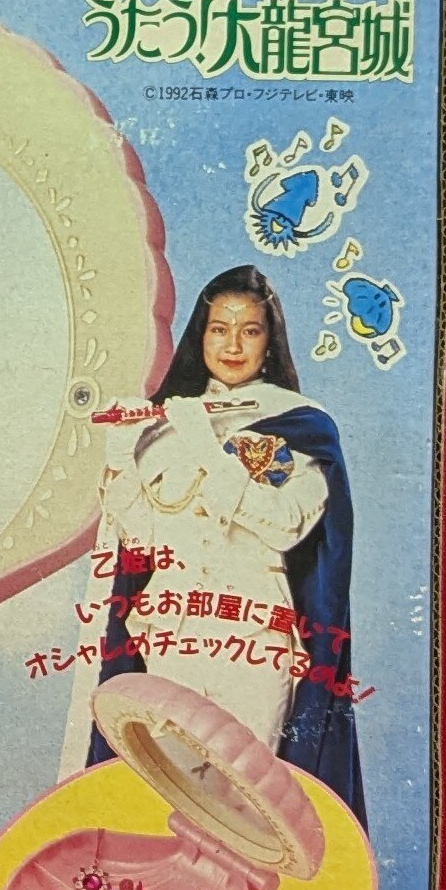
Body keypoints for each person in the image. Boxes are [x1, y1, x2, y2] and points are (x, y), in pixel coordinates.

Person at [64, 264, 365, 826]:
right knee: (162, 796)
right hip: (170, 635)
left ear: (269, 340)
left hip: (251, 639)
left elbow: (287, 525)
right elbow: (143, 540)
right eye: (219, 329)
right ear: (199, 336)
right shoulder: (165, 425)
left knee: (246, 803)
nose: (232, 345)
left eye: (249, 330)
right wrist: (122, 455)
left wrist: (207, 448)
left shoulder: (299, 423)